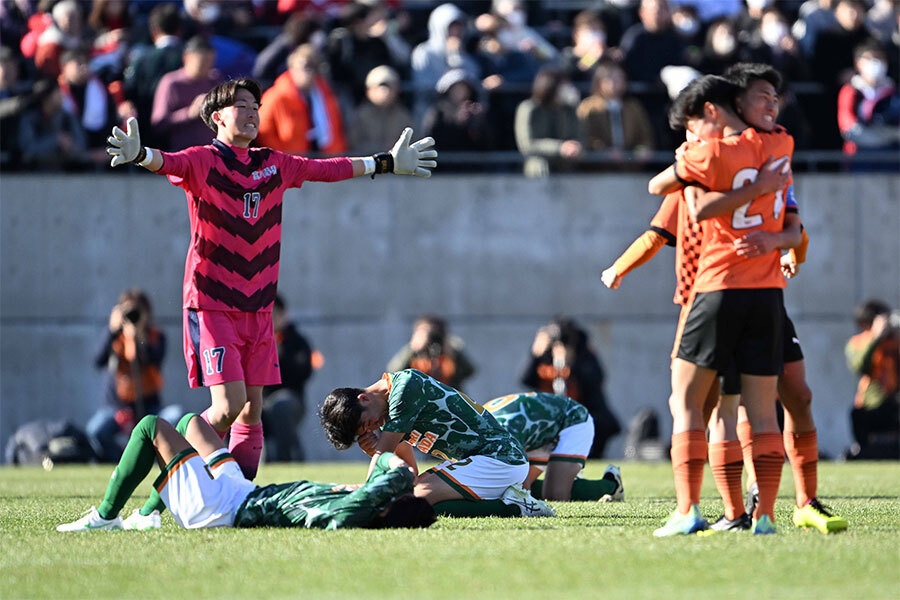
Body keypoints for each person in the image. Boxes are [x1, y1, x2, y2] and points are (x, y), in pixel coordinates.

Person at [104, 77, 437, 483]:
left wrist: (383, 162)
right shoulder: (203, 160)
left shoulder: (273, 163)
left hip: (258, 306)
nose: (251, 112)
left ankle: (240, 495)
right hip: (212, 302)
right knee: (228, 405)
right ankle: (166, 479)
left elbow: (325, 169)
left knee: (251, 409)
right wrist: (140, 154)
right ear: (216, 118)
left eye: (254, 106)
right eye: (240, 105)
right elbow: (167, 162)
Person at [649, 75, 797, 536]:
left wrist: (687, 160)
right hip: (768, 293)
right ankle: (766, 516)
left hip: (717, 286)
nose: (692, 135)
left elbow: (663, 189)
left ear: (711, 112)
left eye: (694, 123)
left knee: (687, 402)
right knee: (763, 410)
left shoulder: (706, 152)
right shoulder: (779, 145)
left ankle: (688, 509)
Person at [57, 413, 436, 532]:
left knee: (150, 427)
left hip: (221, 507)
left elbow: (399, 474)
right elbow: (390, 481)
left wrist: (394, 463)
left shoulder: (358, 510)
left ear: (389, 509)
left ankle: (104, 517)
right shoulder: (365, 505)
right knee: (192, 422)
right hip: (242, 493)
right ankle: (146, 516)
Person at [319, 369, 555, 518]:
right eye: (367, 430)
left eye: (366, 423)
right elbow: (409, 474)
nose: (372, 428)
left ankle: (515, 508)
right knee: (407, 501)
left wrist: (365, 498)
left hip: (500, 458)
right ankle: (508, 501)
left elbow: (384, 452)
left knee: (411, 502)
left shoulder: (406, 387)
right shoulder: (388, 415)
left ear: (364, 398)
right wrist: (380, 453)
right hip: (478, 465)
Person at [483, 392, 624, 502]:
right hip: (535, 430)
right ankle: (566, 476)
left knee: (554, 495)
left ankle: (611, 485)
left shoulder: (503, 435)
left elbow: (521, 495)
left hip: (572, 418)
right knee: (506, 489)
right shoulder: (483, 429)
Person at [87, 289, 168, 463]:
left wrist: (139, 337)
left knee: (176, 417)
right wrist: (112, 330)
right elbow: (97, 361)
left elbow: (155, 359)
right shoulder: (115, 337)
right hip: (116, 408)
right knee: (95, 431)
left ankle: (151, 458)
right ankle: (126, 459)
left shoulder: (155, 336)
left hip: (150, 408)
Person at [520, 318, 620, 459]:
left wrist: (572, 363)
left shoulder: (583, 353)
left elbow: (595, 380)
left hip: (582, 413)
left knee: (597, 422)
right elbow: (525, 380)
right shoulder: (542, 356)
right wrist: (534, 355)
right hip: (547, 414)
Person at [256, 44, 347, 156]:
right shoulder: (276, 97)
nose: (310, 72)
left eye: (314, 67)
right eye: (305, 66)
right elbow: (264, 131)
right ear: (291, 68)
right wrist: (282, 159)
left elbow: (336, 131)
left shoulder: (326, 96)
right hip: (289, 164)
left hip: (323, 162)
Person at [261, 295, 320, 462]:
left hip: (291, 399)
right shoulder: (259, 341)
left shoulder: (297, 341)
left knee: (281, 406)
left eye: (274, 314)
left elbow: (304, 371)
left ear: (284, 314)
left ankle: (283, 461)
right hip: (261, 399)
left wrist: (277, 358)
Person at [122, 2, 184, 150]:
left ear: (154, 31)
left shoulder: (141, 58)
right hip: (180, 135)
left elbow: (129, 91)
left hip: (145, 134)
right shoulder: (188, 58)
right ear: (180, 30)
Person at [845, 299, 900, 455]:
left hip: (895, 402)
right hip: (871, 404)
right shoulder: (858, 343)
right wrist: (876, 338)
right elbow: (859, 366)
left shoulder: (895, 340)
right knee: (857, 415)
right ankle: (864, 452)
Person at [411, 3, 481, 122]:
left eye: (459, 26)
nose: (456, 31)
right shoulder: (423, 52)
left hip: (461, 115)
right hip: (431, 113)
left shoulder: (464, 54)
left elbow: (473, 81)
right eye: (451, 26)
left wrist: (456, 56)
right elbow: (424, 88)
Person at [150, 36, 222, 151]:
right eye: (202, 63)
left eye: (210, 62)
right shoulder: (172, 83)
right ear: (186, 58)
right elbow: (159, 123)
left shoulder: (214, 80)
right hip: (181, 157)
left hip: (212, 155)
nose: (207, 68)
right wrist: (189, 113)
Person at [577, 58, 655, 160]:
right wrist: (604, 152)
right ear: (599, 81)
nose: (615, 83)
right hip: (597, 170)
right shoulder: (588, 107)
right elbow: (585, 136)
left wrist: (642, 150)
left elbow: (645, 136)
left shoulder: (633, 107)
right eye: (610, 78)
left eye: (619, 78)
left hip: (630, 168)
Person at [514, 67, 582, 178]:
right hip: (539, 169)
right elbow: (527, 145)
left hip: (566, 167)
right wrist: (560, 147)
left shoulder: (569, 110)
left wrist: (576, 147)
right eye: (564, 85)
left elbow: (578, 137)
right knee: (540, 166)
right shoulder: (529, 108)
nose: (569, 88)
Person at [837, 41, 900, 157]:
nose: (875, 63)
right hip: (859, 158)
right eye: (870, 58)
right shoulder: (851, 91)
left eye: (879, 58)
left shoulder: (894, 91)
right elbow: (848, 129)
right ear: (858, 63)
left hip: (892, 157)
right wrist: (886, 135)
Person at [386, 315, 475, 391]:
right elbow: (393, 372)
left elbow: (469, 371)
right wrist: (412, 349)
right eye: (425, 331)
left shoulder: (451, 350)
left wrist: (454, 353)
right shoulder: (414, 353)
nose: (431, 335)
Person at [421, 69, 493, 154]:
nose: (461, 92)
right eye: (456, 88)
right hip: (445, 164)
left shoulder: (475, 112)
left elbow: (487, 144)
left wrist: (478, 122)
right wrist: (455, 122)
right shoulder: (436, 113)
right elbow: (432, 139)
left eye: (464, 88)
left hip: (472, 163)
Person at [348, 65, 414, 154]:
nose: (385, 92)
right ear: (368, 90)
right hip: (367, 166)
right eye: (379, 88)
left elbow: (415, 145)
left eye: (389, 87)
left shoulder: (404, 117)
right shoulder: (360, 116)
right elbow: (353, 145)